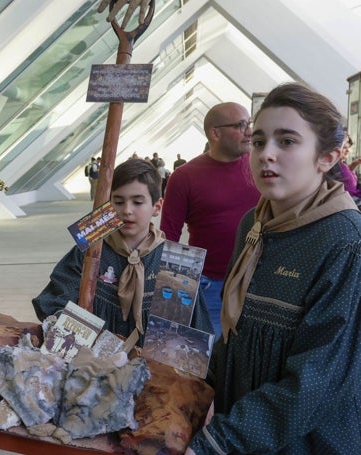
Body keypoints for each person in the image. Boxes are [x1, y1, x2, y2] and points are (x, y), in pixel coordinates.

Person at [187, 83, 361, 454]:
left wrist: (216, 443)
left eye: (287, 142)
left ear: (327, 157)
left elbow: (316, 382)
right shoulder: (254, 224)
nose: (266, 154)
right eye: (259, 140)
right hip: (247, 433)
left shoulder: (345, 243)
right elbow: (238, 335)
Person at [32, 158, 212, 342]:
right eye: (118, 202)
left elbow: (195, 332)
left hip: (151, 367)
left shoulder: (177, 263)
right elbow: (54, 300)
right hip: (93, 363)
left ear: (156, 207)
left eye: (137, 202)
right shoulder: (89, 253)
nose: (127, 210)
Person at [161, 102, 260, 336]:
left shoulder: (261, 167)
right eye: (241, 125)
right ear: (215, 133)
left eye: (250, 124)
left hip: (258, 283)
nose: (249, 132)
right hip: (209, 287)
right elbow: (169, 237)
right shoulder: (184, 177)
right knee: (211, 358)